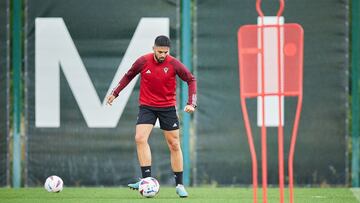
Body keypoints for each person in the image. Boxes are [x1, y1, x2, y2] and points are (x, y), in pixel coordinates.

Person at [106, 35, 196, 198]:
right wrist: (115, 93)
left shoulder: (174, 63)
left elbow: (190, 79)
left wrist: (192, 103)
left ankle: (180, 185)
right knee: (140, 138)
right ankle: (146, 180)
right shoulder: (143, 61)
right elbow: (128, 76)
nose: (163, 55)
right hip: (147, 107)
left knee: (174, 144)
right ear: (153, 48)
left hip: (168, 108)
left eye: (166, 52)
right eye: (160, 51)